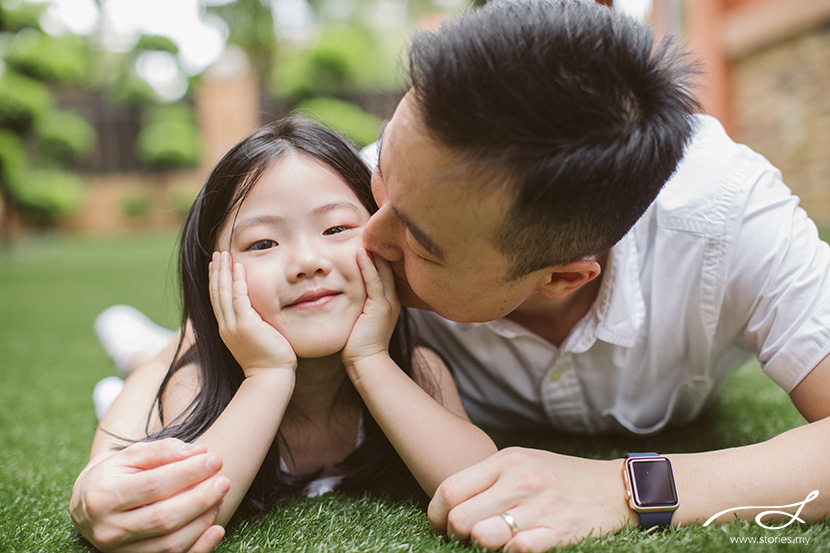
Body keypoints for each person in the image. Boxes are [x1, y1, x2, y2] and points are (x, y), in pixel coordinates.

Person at [72, 1, 830, 552]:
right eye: (379, 190)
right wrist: (104, 476)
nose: (366, 239)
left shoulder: (732, 221)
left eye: (416, 241)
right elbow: (208, 337)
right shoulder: (390, 184)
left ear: (563, 274)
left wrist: (624, 488)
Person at [71, 117, 496, 552]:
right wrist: (266, 374)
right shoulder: (190, 386)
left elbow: (485, 485)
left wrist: (371, 360)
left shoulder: (420, 368)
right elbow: (183, 512)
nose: (307, 261)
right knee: (156, 360)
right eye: (262, 244)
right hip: (191, 368)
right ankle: (136, 346)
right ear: (214, 275)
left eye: (336, 229)